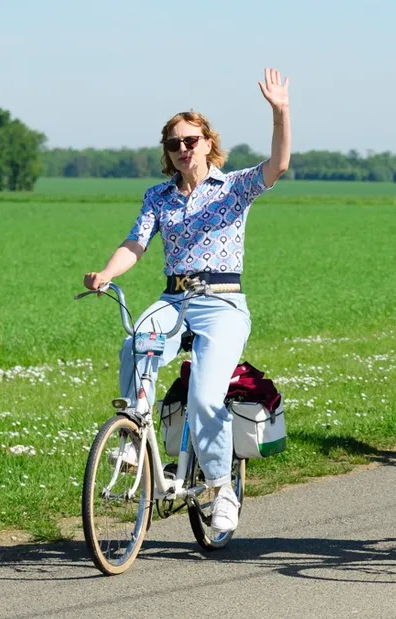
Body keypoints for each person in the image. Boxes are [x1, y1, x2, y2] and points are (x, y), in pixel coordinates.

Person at [82, 68, 292, 534]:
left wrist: (280, 112)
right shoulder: (158, 196)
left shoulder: (233, 187)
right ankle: (134, 435)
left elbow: (277, 166)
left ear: (207, 142)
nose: (183, 150)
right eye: (174, 143)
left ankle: (221, 488)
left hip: (222, 303)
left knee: (204, 396)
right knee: (136, 344)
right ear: (167, 151)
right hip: (173, 298)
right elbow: (135, 243)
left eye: (191, 141)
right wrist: (107, 273)